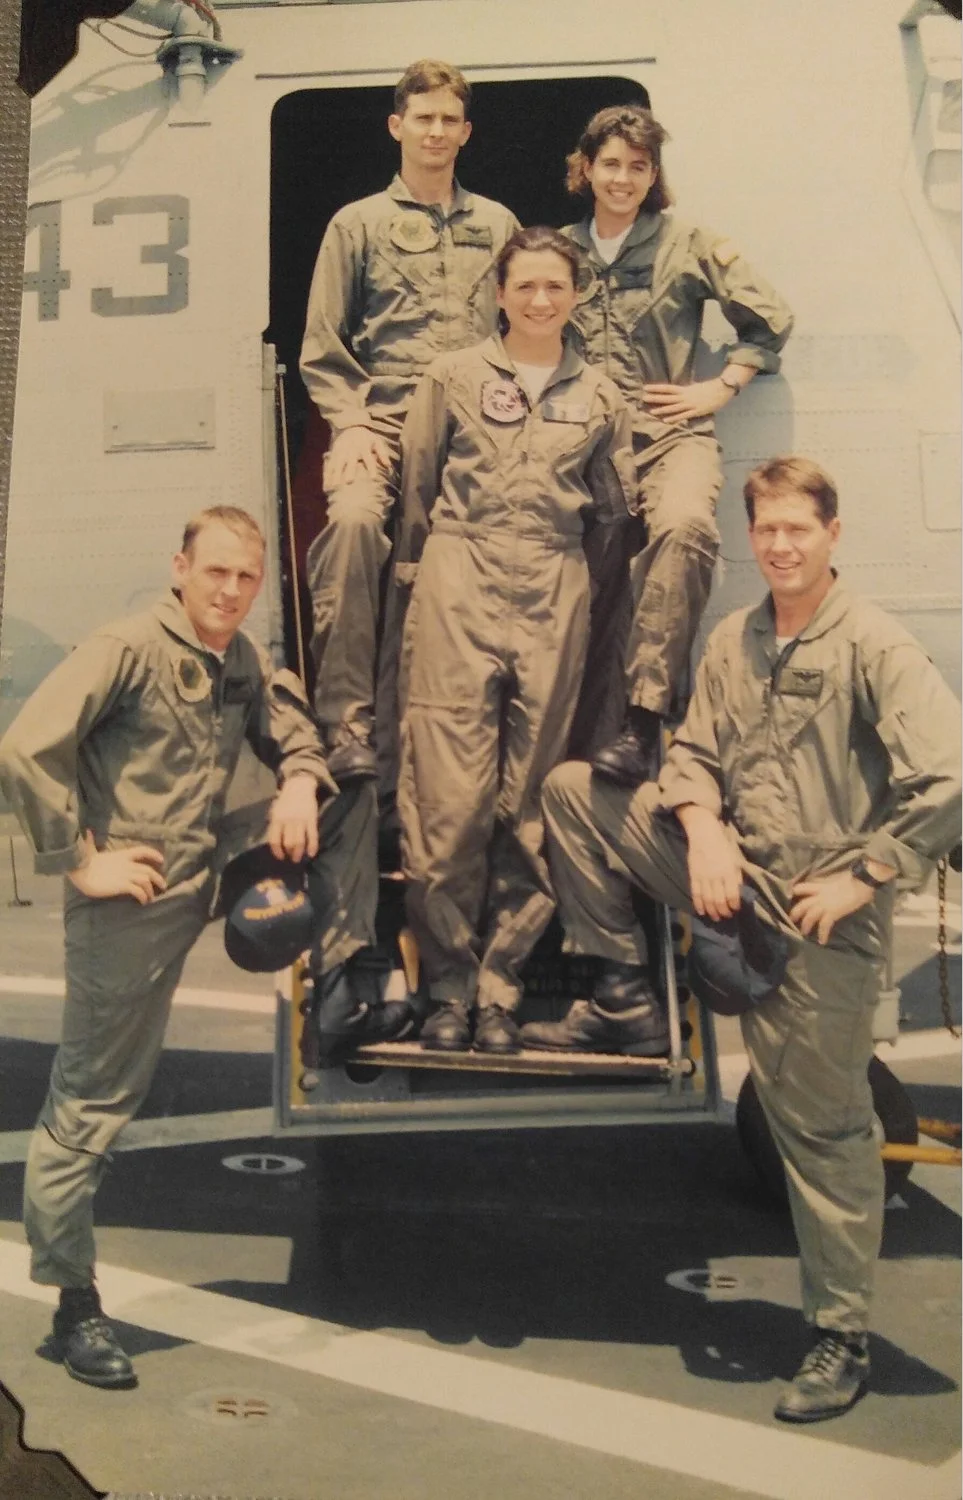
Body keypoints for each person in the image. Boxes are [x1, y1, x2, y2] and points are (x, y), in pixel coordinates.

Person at [521, 457, 962, 1422]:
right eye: (765, 528)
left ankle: (838, 1335)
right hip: (728, 876)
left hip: (817, 906)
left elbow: (948, 775)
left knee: (823, 1127)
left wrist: (864, 874)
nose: (779, 544)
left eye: (797, 527)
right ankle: (624, 997)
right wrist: (705, 825)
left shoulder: (871, 646)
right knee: (575, 795)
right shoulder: (736, 639)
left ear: (831, 534)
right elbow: (691, 752)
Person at [0, 506, 382, 1391]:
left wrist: (294, 777)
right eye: (215, 573)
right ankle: (74, 1306)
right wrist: (81, 862)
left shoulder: (236, 658)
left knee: (345, 795)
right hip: (130, 899)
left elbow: (288, 723)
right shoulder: (126, 647)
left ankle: (331, 964)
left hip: (205, 868)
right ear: (180, 567)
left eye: (246, 578)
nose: (231, 591)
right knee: (95, 1097)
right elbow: (25, 749)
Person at [393, 227, 634, 1055]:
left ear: (575, 297)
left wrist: (564, 582)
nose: (539, 301)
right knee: (447, 801)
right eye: (524, 286)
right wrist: (431, 582)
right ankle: (448, 991)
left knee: (528, 808)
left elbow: (610, 518)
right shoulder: (450, 378)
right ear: (499, 292)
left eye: (554, 288)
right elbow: (417, 493)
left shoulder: (600, 396)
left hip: (553, 586)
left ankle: (499, 991)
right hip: (457, 574)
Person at [299, 59, 519, 784]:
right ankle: (346, 725)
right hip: (384, 426)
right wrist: (350, 424)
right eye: (421, 117)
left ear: (465, 132)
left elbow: (525, 335)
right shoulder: (356, 224)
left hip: (477, 433)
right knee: (357, 528)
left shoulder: (498, 225)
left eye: (448, 119)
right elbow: (323, 346)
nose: (434, 131)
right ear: (397, 127)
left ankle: (488, 743)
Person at [561, 104, 794, 781]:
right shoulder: (556, 250)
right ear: (586, 168)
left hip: (671, 434)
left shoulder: (686, 243)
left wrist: (718, 388)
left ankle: (642, 721)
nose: (622, 178)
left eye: (637, 167)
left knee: (685, 527)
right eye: (610, 164)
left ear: (652, 174)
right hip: (582, 447)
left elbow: (769, 320)